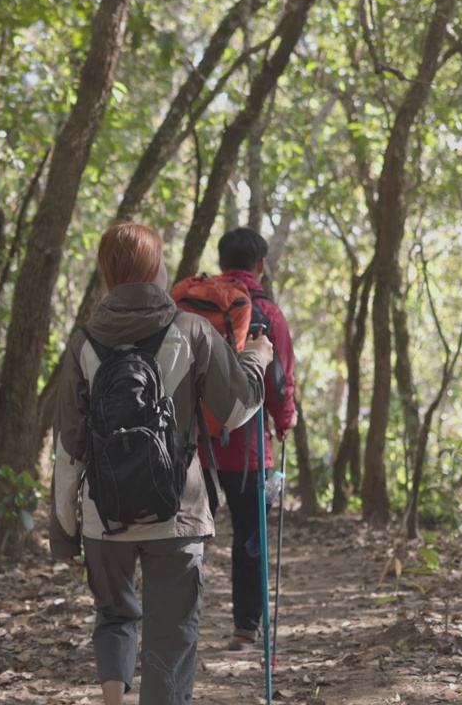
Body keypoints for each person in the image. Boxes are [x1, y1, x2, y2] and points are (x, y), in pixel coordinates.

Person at [49, 222, 273, 705]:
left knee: (114, 616)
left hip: (102, 514)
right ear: (155, 268)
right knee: (171, 636)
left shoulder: (83, 341)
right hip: (178, 509)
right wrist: (255, 358)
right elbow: (237, 408)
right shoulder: (189, 329)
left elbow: (69, 447)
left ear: (108, 272)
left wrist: (64, 530)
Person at [201, 227, 299, 651]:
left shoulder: (198, 303)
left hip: (198, 445)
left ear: (223, 262)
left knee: (191, 537)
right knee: (249, 537)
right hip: (249, 448)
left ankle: (181, 619)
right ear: (260, 264)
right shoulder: (268, 314)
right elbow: (279, 378)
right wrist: (285, 419)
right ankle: (245, 627)